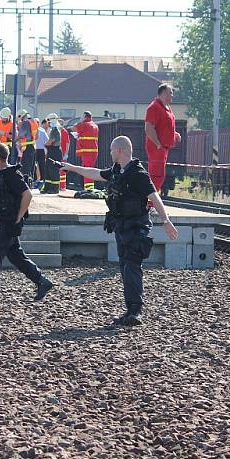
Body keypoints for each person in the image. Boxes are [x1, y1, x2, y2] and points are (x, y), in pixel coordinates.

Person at [61, 136, 179, 326]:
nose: (110, 153)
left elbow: (154, 197)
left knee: (132, 266)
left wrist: (166, 220)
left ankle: (135, 311)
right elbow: (96, 173)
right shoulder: (117, 170)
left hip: (136, 227)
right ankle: (130, 310)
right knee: (125, 267)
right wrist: (72, 167)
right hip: (121, 226)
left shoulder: (138, 173)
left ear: (121, 151)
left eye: (112, 150)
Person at [0, 142, 53, 303]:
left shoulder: (11, 174)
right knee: (16, 256)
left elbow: (27, 195)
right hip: (4, 220)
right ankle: (43, 282)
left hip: (10, 222)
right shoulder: (0, 174)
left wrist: (19, 217)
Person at [144, 83, 181, 195]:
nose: (172, 95)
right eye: (170, 92)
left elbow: (163, 127)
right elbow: (149, 127)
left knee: (159, 177)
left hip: (163, 149)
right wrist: (158, 144)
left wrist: (174, 134)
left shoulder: (167, 108)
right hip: (157, 149)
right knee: (156, 177)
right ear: (163, 93)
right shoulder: (154, 107)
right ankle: (149, 206)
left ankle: (150, 205)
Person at [72, 111, 99, 191]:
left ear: (84, 116)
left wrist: (80, 121)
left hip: (86, 151)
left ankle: (88, 189)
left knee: (87, 170)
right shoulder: (95, 125)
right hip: (94, 151)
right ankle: (90, 188)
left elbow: (73, 128)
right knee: (91, 169)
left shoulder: (84, 124)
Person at [41, 114, 62, 194]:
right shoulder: (53, 130)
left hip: (54, 152)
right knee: (48, 170)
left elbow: (50, 142)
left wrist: (45, 144)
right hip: (52, 151)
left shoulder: (55, 130)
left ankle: (55, 188)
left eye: (49, 122)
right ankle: (47, 187)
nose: (48, 124)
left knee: (53, 170)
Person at [18, 112, 37, 184]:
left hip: (27, 147)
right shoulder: (33, 122)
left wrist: (16, 138)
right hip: (32, 147)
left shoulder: (25, 123)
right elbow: (36, 136)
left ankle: (25, 184)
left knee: (24, 167)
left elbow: (21, 135)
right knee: (30, 167)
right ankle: (30, 183)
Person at [35, 118, 49, 187]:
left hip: (40, 150)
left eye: (37, 122)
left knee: (41, 165)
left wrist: (46, 151)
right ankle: (37, 180)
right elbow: (47, 141)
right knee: (35, 165)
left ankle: (42, 180)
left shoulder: (42, 131)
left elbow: (47, 141)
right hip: (35, 149)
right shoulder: (41, 131)